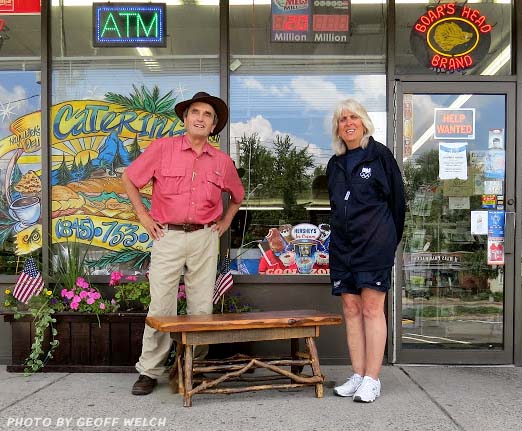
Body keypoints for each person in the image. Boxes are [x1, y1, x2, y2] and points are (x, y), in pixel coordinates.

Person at [122, 91, 245, 395]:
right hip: (168, 235)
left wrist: (225, 222)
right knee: (161, 305)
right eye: (195, 112)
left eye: (207, 115)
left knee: (201, 307)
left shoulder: (222, 161)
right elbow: (129, 179)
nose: (200, 118)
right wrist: (144, 216)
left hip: (205, 238)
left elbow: (238, 197)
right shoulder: (162, 149)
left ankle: (194, 366)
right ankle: (149, 371)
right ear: (185, 118)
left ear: (214, 126)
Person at [326, 99, 405, 403]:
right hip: (343, 247)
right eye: (342, 118)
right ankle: (357, 374)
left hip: (374, 245)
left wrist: (388, 241)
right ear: (338, 127)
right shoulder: (334, 163)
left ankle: (372, 379)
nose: (348, 122)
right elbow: (335, 206)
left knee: (372, 309)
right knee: (351, 309)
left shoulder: (380, 156)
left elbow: (398, 204)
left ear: (363, 122)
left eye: (353, 117)